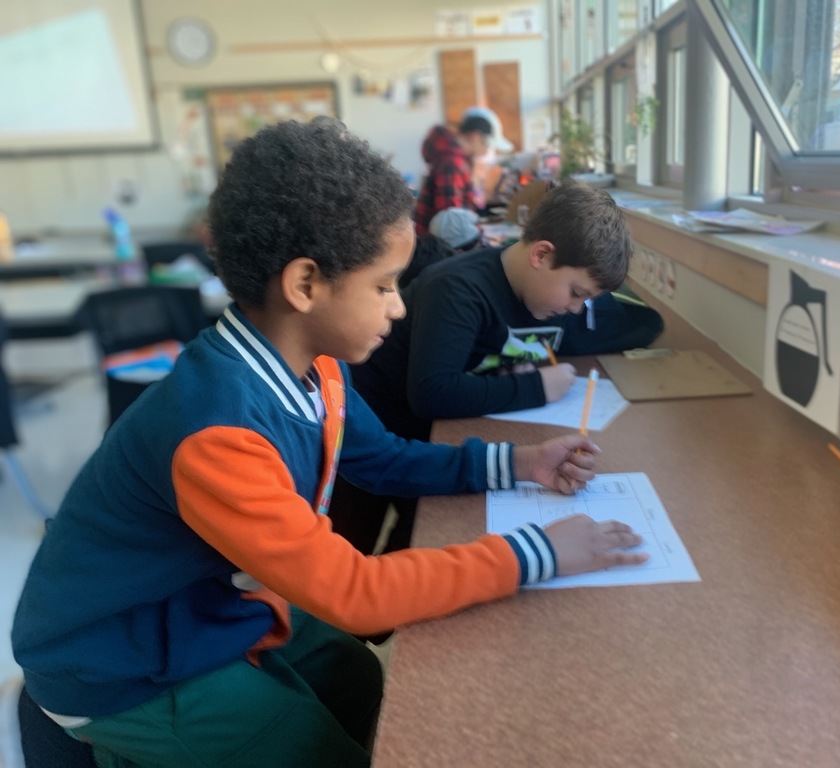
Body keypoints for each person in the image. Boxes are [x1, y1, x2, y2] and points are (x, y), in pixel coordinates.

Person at [11, 118, 646, 768]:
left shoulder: (319, 368)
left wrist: (521, 462)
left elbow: (386, 459)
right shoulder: (216, 431)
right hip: (120, 661)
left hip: (207, 603)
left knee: (360, 677)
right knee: (318, 751)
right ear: (305, 286)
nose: (398, 308)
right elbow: (353, 590)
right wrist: (536, 552)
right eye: (383, 286)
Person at [330, 181, 664, 557]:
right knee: (351, 545)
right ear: (541, 255)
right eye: (577, 293)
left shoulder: (548, 295)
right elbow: (431, 393)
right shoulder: (458, 289)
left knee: (412, 541)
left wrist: (501, 374)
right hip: (372, 434)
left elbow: (645, 322)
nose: (576, 310)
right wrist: (538, 386)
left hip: (434, 442)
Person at [413, 106, 512, 235]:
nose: (487, 150)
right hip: (439, 248)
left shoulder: (453, 158)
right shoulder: (452, 162)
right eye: (486, 144)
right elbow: (451, 222)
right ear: (475, 136)